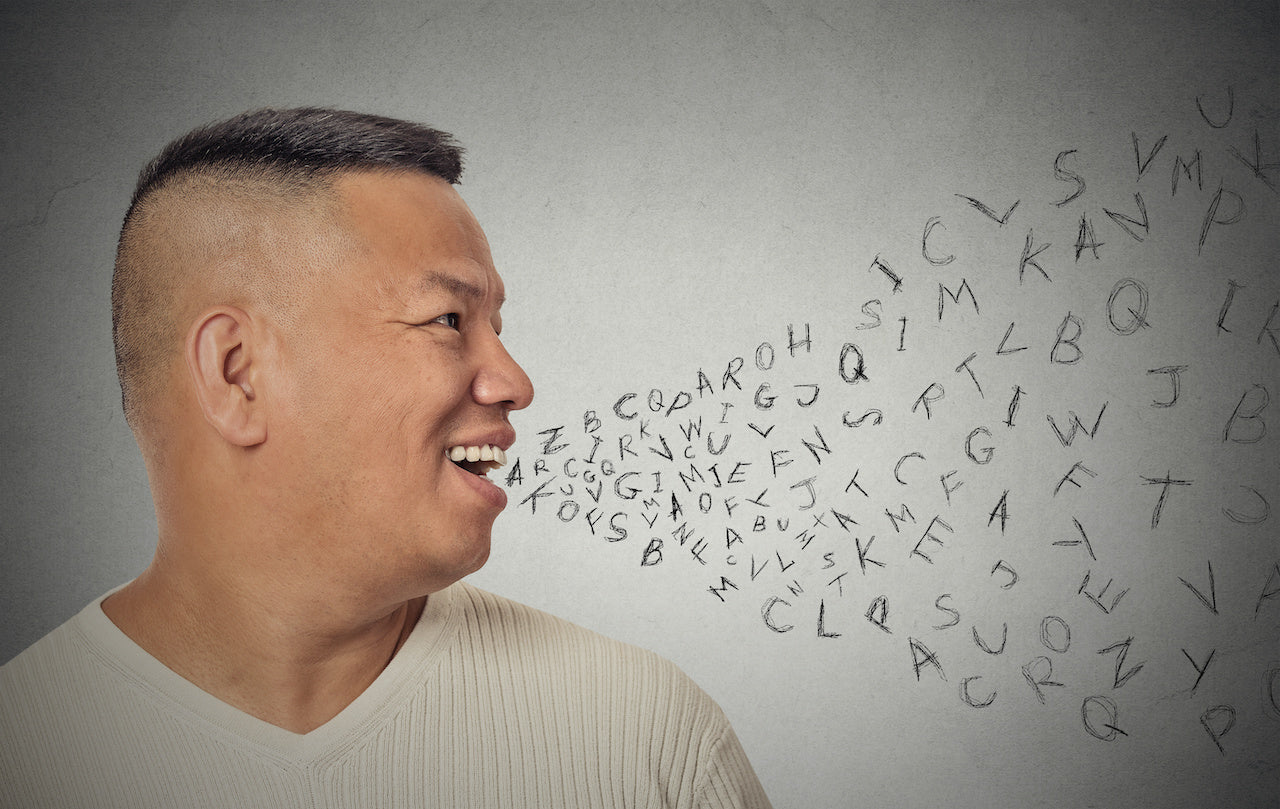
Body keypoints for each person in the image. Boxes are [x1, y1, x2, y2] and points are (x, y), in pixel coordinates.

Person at [0, 107, 772, 808]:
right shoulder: (26, 758)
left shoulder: (647, 743)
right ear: (238, 372)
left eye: (495, 324)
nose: (515, 382)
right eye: (447, 318)